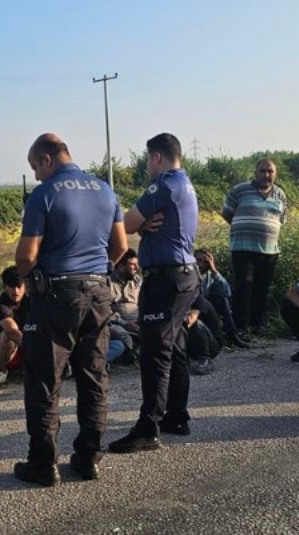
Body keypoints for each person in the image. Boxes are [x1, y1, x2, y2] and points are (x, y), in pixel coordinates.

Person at [12, 133, 128, 486]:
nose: (35, 175)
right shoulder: (105, 191)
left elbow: (27, 257)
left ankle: (43, 465)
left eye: (34, 167)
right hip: (98, 293)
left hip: (57, 296)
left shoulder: (44, 195)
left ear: (47, 159)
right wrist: (91, 270)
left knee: (45, 381)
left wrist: (29, 278)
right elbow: (120, 247)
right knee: (94, 378)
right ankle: (88, 459)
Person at [109, 133, 200, 453]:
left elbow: (127, 223)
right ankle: (176, 416)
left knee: (154, 353)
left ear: (157, 157)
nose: (148, 165)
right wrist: (144, 226)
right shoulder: (186, 184)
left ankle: (148, 427)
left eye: (148, 159)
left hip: (166, 280)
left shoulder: (162, 185)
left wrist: (139, 225)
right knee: (174, 348)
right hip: (184, 277)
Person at [222, 158, 287, 345]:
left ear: (275, 174)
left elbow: (280, 219)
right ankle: (240, 327)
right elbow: (227, 213)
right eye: (262, 171)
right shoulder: (239, 190)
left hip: (269, 249)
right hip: (243, 247)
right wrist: (244, 227)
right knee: (244, 286)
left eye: (270, 171)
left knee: (262, 288)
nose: (266, 175)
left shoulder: (280, 194)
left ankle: (258, 324)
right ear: (255, 173)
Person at [196, 248, 239, 345]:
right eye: (198, 261)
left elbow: (226, 293)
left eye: (205, 262)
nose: (201, 265)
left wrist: (214, 270)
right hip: (194, 309)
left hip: (207, 309)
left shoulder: (210, 274)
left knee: (221, 299)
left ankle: (232, 334)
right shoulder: (188, 273)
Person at [185, 291, 223, 375]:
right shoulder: (177, 301)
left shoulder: (199, 300)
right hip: (191, 345)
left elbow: (190, 321)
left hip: (212, 345)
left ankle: (205, 360)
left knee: (194, 323)